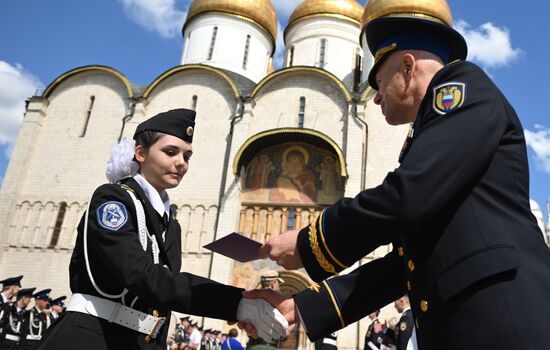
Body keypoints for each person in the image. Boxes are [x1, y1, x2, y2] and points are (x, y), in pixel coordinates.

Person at [246, 1, 550, 349]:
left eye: (377, 81)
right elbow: (405, 264)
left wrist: (309, 241)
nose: (375, 99)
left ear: (407, 67)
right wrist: (304, 305)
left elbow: (406, 196)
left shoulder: (462, 88)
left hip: (503, 321)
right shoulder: (430, 136)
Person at [37, 109, 287, 350]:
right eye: (170, 152)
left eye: (187, 156)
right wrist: (234, 303)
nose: (181, 163)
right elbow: (141, 274)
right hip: (93, 336)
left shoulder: (170, 223)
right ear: (141, 153)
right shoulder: (114, 199)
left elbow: (163, 292)